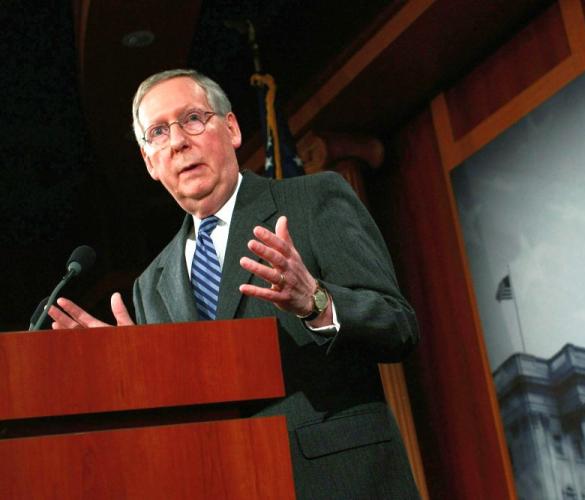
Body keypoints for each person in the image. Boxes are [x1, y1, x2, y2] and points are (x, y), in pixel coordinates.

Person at [49, 69, 420, 499]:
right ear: (150, 162)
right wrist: (134, 378)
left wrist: (315, 301)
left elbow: (399, 327)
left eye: (191, 119)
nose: (178, 141)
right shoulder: (151, 285)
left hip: (339, 481)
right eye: (157, 132)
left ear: (231, 129)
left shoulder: (314, 200)